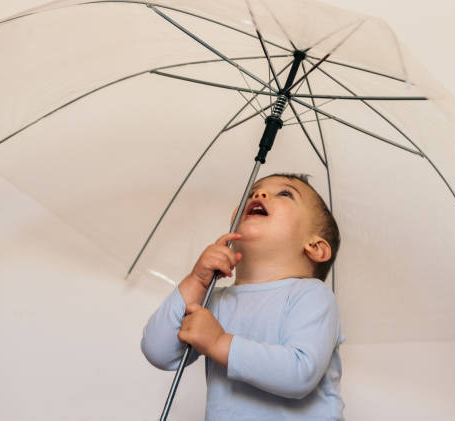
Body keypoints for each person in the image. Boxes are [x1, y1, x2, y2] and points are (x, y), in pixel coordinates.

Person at [141, 173, 345, 420]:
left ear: (315, 247)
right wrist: (196, 281)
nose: (258, 195)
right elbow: (158, 351)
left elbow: (300, 373)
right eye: (251, 192)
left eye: (285, 193)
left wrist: (218, 342)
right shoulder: (215, 301)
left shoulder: (312, 295)